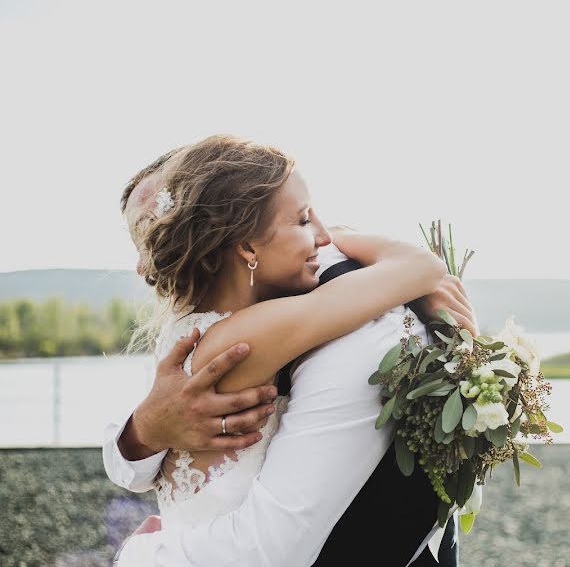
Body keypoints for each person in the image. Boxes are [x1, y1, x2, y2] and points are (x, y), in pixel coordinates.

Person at [105, 135, 478, 565]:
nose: (321, 234)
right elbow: (423, 267)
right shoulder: (246, 334)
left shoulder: (189, 331)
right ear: (243, 244)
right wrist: (139, 554)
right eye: (303, 220)